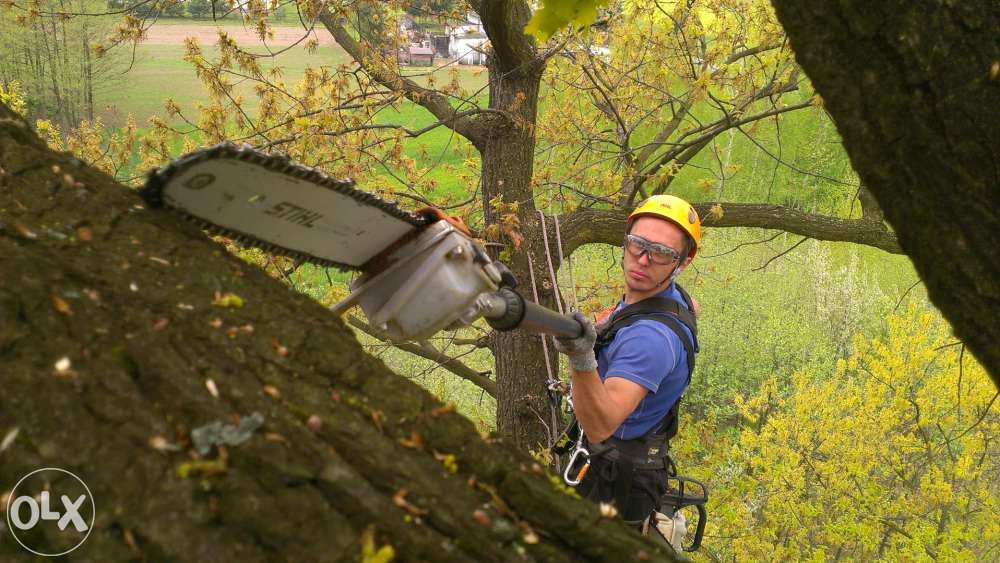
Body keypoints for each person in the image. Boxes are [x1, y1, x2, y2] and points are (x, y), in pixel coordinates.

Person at [554, 194, 700, 536]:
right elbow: (690, 304)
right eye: (637, 244)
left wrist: (581, 357)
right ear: (625, 240)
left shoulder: (649, 340)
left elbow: (601, 425)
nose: (644, 260)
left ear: (682, 262)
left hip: (612, 481)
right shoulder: (674, 300)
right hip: (634, 464)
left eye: (661, 253)